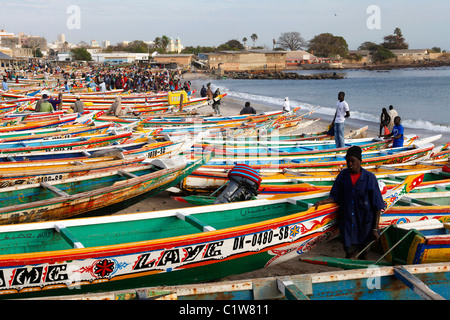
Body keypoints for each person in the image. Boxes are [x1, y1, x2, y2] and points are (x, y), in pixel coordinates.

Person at [313, 146, 385, 259]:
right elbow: (335, 196)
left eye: (353, 161)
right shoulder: (343, 176)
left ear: (360, 161)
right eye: (348, 161)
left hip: (365, 224)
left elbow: (377, 205)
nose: (350, 164)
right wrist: (322, 202)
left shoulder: (369, 178)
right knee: (349, 252)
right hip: (348, 222)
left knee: (364, 254)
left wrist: (375, 228)